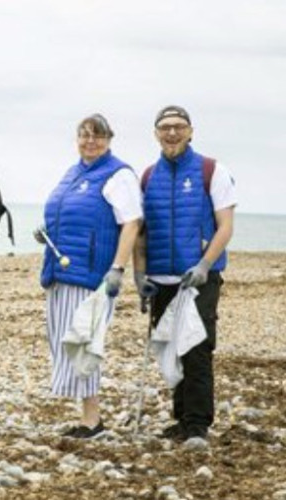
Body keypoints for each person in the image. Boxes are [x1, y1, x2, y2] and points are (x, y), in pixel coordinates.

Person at [134, 105, 236, 448]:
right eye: (165, 127)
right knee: (170, 349)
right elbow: (141, 234)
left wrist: (205, 264)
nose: (172, 133)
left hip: (199, 278)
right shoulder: (148, 177)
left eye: (178, 127)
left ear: (191, 131)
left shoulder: (212, 171)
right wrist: (139, 275)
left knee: (196, 347)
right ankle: (180, 420)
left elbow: (225, 227)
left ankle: (196, 427)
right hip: (161, 279)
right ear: (156, 134)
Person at [35, 114, 141, 439]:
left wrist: (117, 269)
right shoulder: (73, 173)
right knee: (65, 342)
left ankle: (93, 420)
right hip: (62, 273)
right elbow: (67, 215)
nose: (90, 141)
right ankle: (86, 418)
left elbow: (132, 223)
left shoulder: (118, 175)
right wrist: (47, 233)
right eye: (84, 135)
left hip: (92, 277)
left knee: (85, 342)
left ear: (109, 138)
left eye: (97, 135)